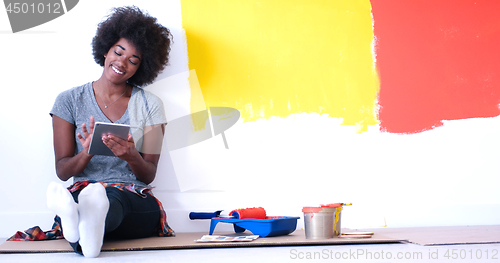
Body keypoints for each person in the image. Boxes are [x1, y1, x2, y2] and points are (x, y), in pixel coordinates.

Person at [47, 6, 174, 257]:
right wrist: (86, 153)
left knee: (109, 201)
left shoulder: (150, 105)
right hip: (83, 189)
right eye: (118, 52)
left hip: (132, 197)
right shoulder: (69, 100)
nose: (122, 63)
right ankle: (85, 228)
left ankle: (80, 224)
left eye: (133, 60)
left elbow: (148, 174)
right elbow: (62, 171)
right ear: (105, 50)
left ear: (141, 67)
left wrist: (130, 156)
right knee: (85, 201)